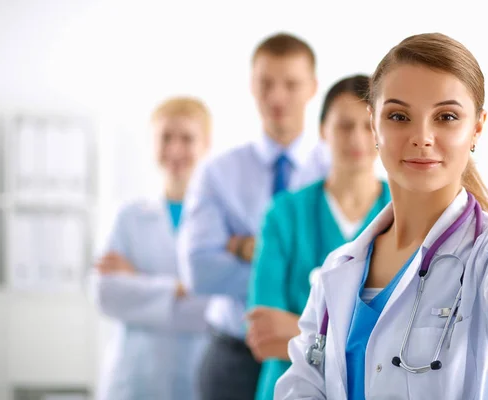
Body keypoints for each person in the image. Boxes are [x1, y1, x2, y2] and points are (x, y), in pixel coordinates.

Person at [275, 33, 488, 400]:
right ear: (374, 125)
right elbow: (302, 386)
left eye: (446, 117)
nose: (422, 137)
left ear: (477, 127)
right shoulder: (338, 268)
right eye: (399, 116)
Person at [179, 32, 329, 400]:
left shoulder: (335, 171)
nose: (277, 97)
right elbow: (199, 269)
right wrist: (297, 273)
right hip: (232, 355)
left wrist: (247, 247)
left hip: (311, 352)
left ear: (312, 88)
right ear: (251, 85)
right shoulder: (217, 172)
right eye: (266, 84)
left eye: (291, 84)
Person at [246, 74, 391, 400]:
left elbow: (406, 341)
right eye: (344, 125)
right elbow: (263, 334)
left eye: (368, 125)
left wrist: (299, 330)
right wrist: (364, 341)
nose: (357, 137)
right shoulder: (285, 213)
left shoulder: (403, 216)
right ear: (323, 131)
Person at [91, 97, 212, 400]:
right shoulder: (129, 216)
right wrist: (180, 290)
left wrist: (139, 284)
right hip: (135, 377)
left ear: (206, 144)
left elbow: (215, 309)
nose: (175, 149)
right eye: (165, 137)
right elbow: (106, 294)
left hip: (199, 372)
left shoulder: (220, 219)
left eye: (187, 138)